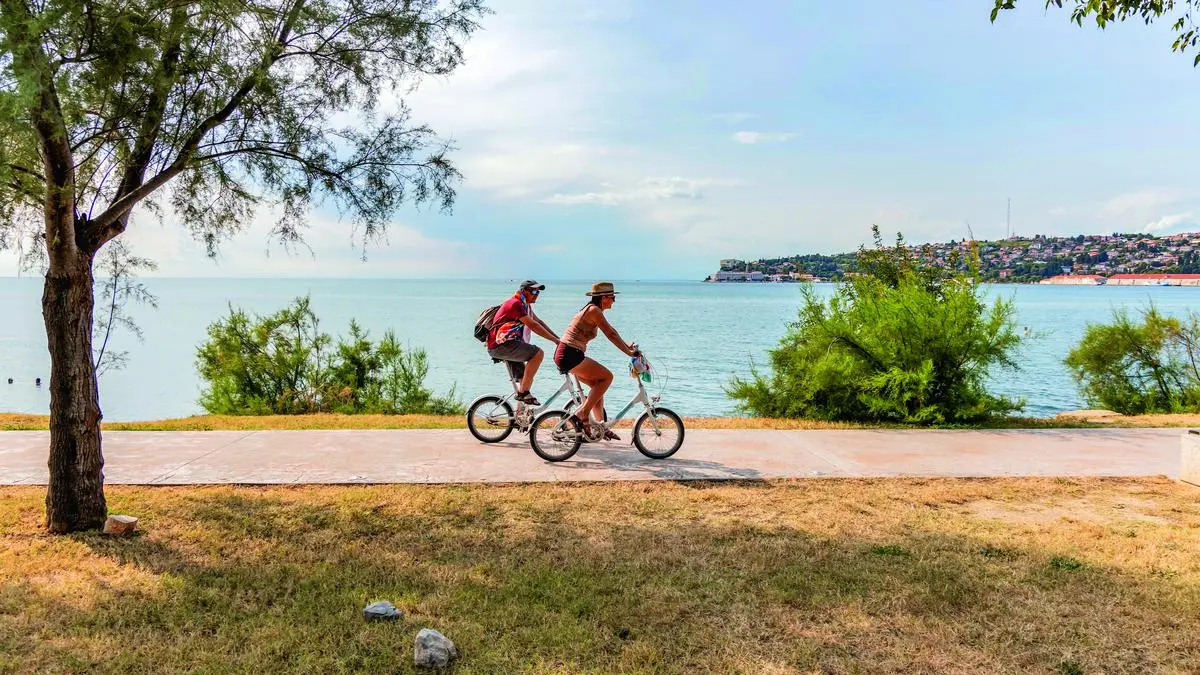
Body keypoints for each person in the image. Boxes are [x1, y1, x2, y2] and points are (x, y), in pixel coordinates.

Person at [554, 281, 639, 441]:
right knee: (607, 377)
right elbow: (610, 335)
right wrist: (628, 353)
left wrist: (627, 346)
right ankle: (582, 413)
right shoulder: (594, 311)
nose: (614, 301)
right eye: (612, 297)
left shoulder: (592, 310)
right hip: (570, 354)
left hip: (566, 353)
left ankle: (600, 426)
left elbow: (612, 331)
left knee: (597, 386)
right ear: (604, 298)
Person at [486, 280, 561, 405]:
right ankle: (523, 394)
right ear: (524, 291)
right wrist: (555, 341)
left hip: (508, 343)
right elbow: (532, 325)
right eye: (534, 291)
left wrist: (559, 339)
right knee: (538, 353)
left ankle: (520, 419)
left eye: (538, 292)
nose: (537, 294)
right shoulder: (515, 304)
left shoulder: (525, 305)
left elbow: (539, 322)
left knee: (524, 380)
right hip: (501, 346)